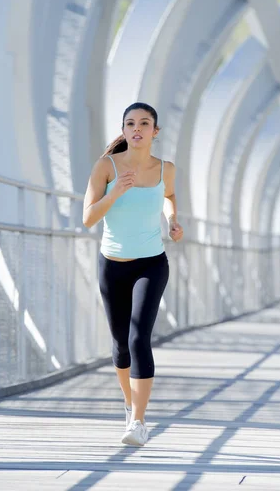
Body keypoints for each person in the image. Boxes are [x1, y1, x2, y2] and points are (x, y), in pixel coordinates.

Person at [83, 102, 184, 447]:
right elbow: (88, 218)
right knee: (120, 345)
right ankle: (129, 404)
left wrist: (172, 219)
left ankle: (139, 422)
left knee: (139, 337)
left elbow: (168, 195)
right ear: (124, 130)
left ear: (155, 131)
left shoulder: (165, 169)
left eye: (144, 123)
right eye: (130, 123)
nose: (136, 128)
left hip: (151, 264)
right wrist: (116, 192)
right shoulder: (106, 166)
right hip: (112, 264)